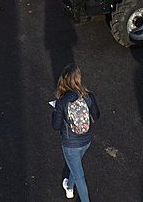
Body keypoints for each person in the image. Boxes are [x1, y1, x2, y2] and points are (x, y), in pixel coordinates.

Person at [53, 64, 100, 201]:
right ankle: (69, 186)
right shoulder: (88, 96)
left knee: (80, 176)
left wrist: (55, 114)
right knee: (76, 165)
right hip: (86, 140)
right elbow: (96, 115)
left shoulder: (62, 102)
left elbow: (56, 126)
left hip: (70, 144)